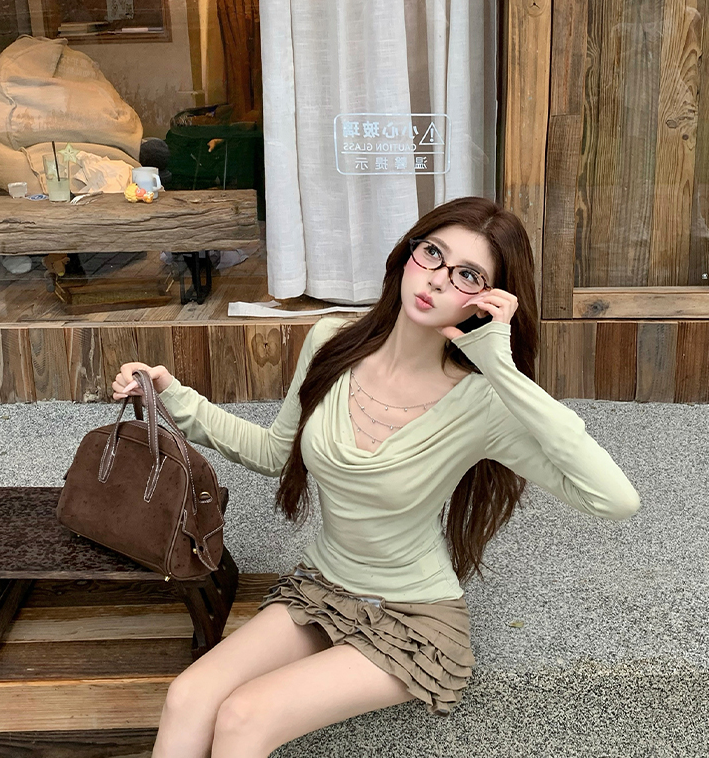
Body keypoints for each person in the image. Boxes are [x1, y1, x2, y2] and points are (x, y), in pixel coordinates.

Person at [112, 196, 640, 758]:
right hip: (321, 588)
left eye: (467, 275)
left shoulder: (483, 403)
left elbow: (614, 499)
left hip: (413, 617)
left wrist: (500, 367)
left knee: (245, 716)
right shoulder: (332, 343)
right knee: (189, 695)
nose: (437, 280)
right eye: (432, 253)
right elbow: (275, 452)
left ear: (490, 301)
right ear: (408, 254)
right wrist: (173, 396)